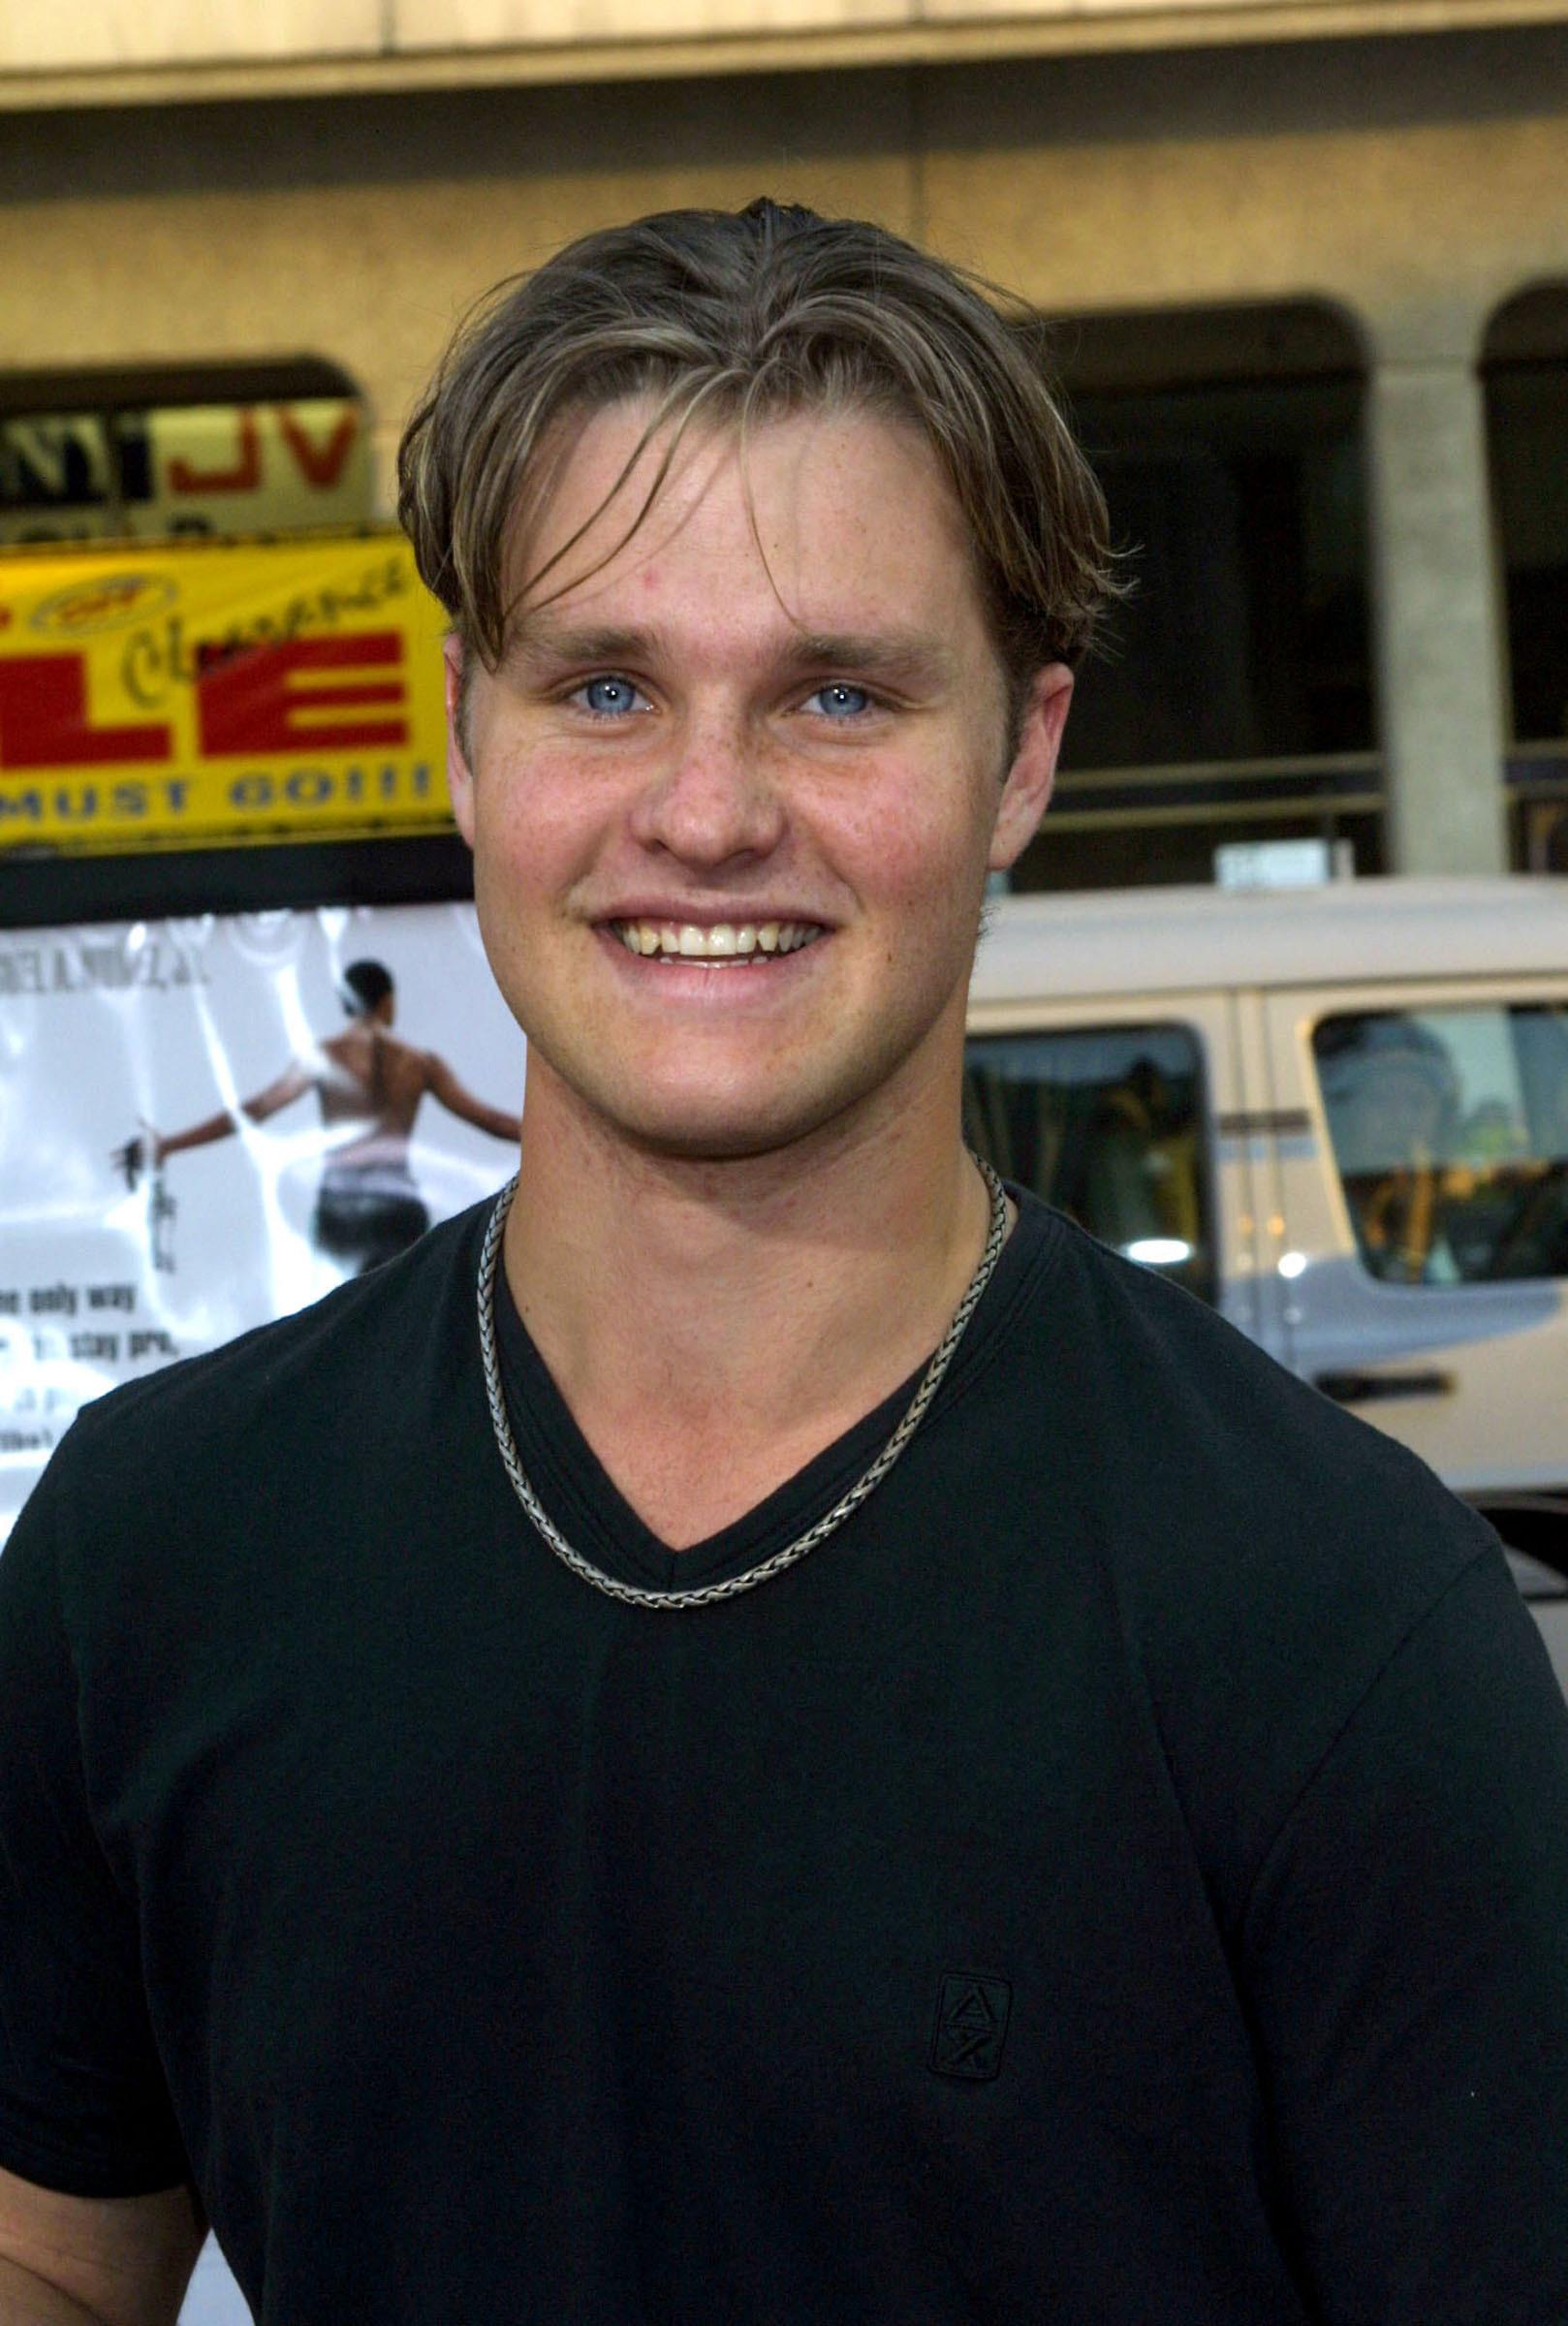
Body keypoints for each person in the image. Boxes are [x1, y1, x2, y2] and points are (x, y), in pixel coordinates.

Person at [2, 199, 1566, 2326]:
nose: (708, 811)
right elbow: (55, 2259)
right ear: (469, 735)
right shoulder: (148, 1549)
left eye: (833, 694)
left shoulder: (1333, 1631)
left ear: (1018, 756)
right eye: (608, 685)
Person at [114, 957, 521, 1273]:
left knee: (339, 1329)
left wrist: (169, 1145)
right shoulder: (421, 1063)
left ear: (346, 1001)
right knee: (399, 1324)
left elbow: (255, 1110)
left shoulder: (324, 1058)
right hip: (398, 1206)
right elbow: (492, 1121)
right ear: (387, 1000)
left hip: (339, 1208)